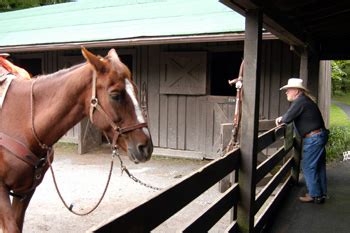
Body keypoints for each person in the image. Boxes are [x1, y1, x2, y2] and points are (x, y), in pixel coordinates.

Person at [275, 78, 329, 204]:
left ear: (297, 91)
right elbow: (290, 116)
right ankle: (321, 194)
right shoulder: (304, 101)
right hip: (319, 136)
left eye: (289, 89)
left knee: (307, 166)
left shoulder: (300, 102)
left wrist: (279, 119)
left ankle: (315, 195)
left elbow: (287, 118)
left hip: (314, 138)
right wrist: (283, 118)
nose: (286, 92)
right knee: (318, 166)